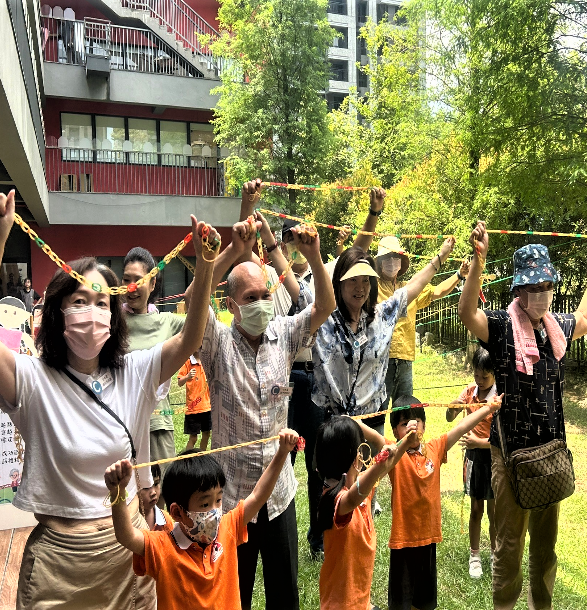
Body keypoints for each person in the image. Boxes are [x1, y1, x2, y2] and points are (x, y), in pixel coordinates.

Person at [0, 190, 218, 609]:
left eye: (102, 302)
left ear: (114, 317)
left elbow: (191, 337)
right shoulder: (31, 378)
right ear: (59, 310)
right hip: (57, 566)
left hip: (128, 555)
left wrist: (206, 269)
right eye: (80, 300)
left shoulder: (135, 371)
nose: (92, 311)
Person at [185, 179, 336, 610]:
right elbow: (195, 302)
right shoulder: (215, 344)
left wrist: (316, 258)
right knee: (236, 596)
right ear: (231, 304)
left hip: (280, 494)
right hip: (232, 502)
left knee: (285, 596)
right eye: (251, 297)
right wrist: (226, 253)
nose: (262, 302)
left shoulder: (284, 335)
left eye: (266, 295)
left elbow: (323, 306)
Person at [458, 223, 587, 610]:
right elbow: (467, 312)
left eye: (546, 287)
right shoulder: (504, 328)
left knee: (546, 552)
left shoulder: (555, 329)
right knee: (509, 550)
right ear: (519, 291)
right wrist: (479, 260)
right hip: (509, 461)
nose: (540, 295)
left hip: (550, 459)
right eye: (532, 288)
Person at [280, 190, 385, 558]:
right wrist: (273, 244)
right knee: (317, 467)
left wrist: (372, 215)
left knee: (347, 460)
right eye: (291, 239)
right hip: (301, 380)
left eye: (300, 239)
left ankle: (351, 526)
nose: (296, 245)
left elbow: (356, 257)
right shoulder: (292, 281)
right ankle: (319, 537)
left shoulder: (326, 272)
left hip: (328, 382)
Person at [104, 429, 299, 610]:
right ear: (178, 512)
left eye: (219, 500)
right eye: (205, 505)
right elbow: (126, 536)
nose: (215, 511)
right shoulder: (162, 548)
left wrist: (282, 453)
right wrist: (117, 491)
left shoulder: (227, 527)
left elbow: (257, 496)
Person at [312, 233, 456, 434]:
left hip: (398, 369)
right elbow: (337, 272)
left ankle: (403, 455)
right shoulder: (326, 318)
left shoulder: (383, 313)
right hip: (335, 426)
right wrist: (312, 255)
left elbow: (420, 285)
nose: (359, 287)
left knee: (404, 412)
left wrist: (443, 259)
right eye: (353, 280)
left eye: (364, 281)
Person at [386, 394, 501, 610]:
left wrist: (488, 408)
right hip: (403, 541)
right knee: (401, 602)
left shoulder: (435, 448)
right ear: (395, 432)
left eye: (417, 422)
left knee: (424, 601)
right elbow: (374, 439)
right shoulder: (394, 454)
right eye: (404, 424)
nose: (412, 427)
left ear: (425, 425)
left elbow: (461, 427)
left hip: (428, 540)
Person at [316, 415, 416, 610]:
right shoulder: (337, 501)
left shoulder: (359, 485)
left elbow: (389, 462)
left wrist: (407, 440)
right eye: (360, 448)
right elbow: (354, 497)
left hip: (361, 602)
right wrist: (378, 465)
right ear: (355, 457)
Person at [122, 246, 185, 499]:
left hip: (157, 426)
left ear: (153, 282)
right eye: (126, 280)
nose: (131, 287)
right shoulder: (111, 322)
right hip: (120, 425)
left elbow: (204, 325)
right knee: (125, 501)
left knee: (162, 499)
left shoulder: (167, 322)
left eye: (138, 280)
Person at [376, 235, 468, 408]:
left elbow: (438, 291)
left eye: (395, 257)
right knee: (377, 412)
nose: (391, 262)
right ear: (380, 262)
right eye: (387, 258)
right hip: (380, 360)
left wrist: (459, 275)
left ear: (401, 262)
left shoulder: (409, 288)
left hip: (406, 361)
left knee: (404, 413)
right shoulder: (372, 286)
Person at [446, 346, 498, 579]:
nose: (479, 380)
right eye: (476, 375)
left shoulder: (498, 399)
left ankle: (496, 554)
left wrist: (479, 442)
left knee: (494, 511)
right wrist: (453, 406)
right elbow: (449, 417)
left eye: (484, 376)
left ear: (495, 373)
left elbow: (503, 442)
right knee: (476, 509)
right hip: (474, 461)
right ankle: (474, 555)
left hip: (494, 459)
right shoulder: (470, 392)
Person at [179, 350, 212, 452]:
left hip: (207, 407)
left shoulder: (206, 361)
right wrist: (187, 376)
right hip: (193, 408)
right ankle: (187, 459)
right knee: (193, 437)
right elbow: (180, 382)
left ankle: (201, 456)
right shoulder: (187, 362)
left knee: (206, 434)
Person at [138, 464, 173, 533]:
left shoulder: (166, 520)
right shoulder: (127, 522)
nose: (153, 492)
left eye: (156, 483)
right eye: (146, 488)